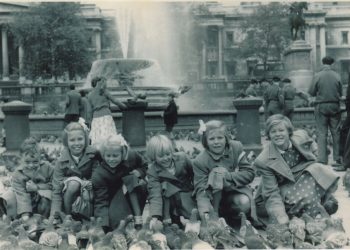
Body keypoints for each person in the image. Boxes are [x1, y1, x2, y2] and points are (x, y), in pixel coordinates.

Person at [254, 114, 339, 224]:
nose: (278, 134)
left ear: (289, 132)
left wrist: (315, 152)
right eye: (273, 131)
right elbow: (271, 193)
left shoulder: (301, 136)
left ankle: (318, 208)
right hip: (282, 187)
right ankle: (310, 215)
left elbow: (312, 145)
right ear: (269, 135)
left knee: (318, 170)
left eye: (281, 130)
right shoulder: (263, 160)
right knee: (308, 191)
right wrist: (280, 217)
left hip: (303, 178)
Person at [192, 120, 257, 224]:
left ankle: (234, 216)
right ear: (205, 141)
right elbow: (201, 189)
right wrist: (205, 212)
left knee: (243, 202)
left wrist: (228, 176)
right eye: (212, 139)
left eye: (220, 138)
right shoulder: (200, 161)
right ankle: (216, 214)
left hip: (233, 191)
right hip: (213, 198)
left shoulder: (236, 148)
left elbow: (249, 173)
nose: (216, 142)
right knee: (216, 173)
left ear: (226, 139)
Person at [92, 134, 148, 230]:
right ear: (103, 155)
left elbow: (144, 165)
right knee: (117, 224)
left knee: (137, 182)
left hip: (130, 193)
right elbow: (101, 201)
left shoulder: (131, 156)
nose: (111, 159)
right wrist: (103, 224)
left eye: (115, 155)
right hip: (112, 200)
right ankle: (123, 221)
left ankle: (137, 218)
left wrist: (139, 172)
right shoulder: (99, 174)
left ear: (123, 153)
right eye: (108, 156)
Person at [50, 122, 99, 218]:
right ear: (66, 142)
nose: (77, 143)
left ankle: (91, 217)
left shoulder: (93, 155)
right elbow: (56, 190)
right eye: (72, 140)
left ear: (85, 139)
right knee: (73, 183)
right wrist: (54, 215)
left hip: (88, 193)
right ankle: (68, 217)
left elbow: (98, 177)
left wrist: (90, 183)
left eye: (80, 139)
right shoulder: (62, 160)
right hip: (69, 195)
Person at [146, 134, 195, 225]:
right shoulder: (152, 170)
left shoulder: (183, 158)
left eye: (168, 154)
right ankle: (169, 218)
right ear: (154, 156)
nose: (166, 158)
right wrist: (155, 216)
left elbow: (195, 175)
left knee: (193, 216)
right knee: (165, 185)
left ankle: (188, 217)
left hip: (187, 194)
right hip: (169, 202)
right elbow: (155, 193)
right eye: (161, 156)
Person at [308, 56, 343, 166]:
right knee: (336, 132)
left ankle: (322, 159)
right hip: (334, 106)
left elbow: (311, 92)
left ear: (323, 63)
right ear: (332, 64)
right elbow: (340, 93)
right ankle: (337, 158)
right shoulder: (337, 76)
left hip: (321, 105)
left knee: (322, 132)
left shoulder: (317, 75)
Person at [11, 138, 54, 220]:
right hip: (25, 202)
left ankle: (44, 220)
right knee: (10, 198)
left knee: (46, 198)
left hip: (44, 202)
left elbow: (54, 185)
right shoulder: (17, 174)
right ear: (21, 158)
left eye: (35, 162)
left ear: (40, 158)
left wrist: (37, 187)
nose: (31, 165)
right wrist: (25, 214)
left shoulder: (48, 168)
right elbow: (22, 194)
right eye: (27, 162)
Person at [87, 76, 127, 150]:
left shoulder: (89, 95)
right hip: (106, 115)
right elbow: (115, 100)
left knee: (98, 137)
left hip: (96, 117)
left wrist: (89, 122)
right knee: (109, 135)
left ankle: (99, 152)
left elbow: (89, 111)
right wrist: (124, 106)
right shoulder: (104, 91)